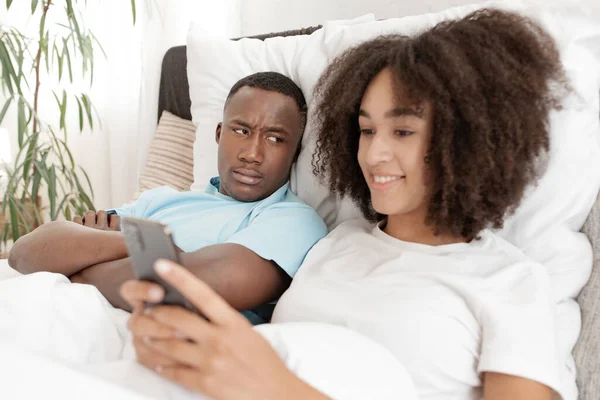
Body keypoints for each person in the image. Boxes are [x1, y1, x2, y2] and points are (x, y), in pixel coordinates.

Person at [121, 9, 569, 400]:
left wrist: (277, 391)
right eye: (367, 130)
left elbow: (270, 377)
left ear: (468, 140)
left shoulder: (512, 283)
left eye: (403, 132)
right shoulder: (337, 242)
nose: (374, 155)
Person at [8, 72, 328, 324]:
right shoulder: (161, 200)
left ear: (294, 152)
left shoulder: (293, 219)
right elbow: (25, 253)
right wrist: (152, 246)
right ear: (219, 134)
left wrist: (79, 265)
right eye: (241, 131)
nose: (252, 154)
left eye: (275, 138)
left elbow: (188, 287)